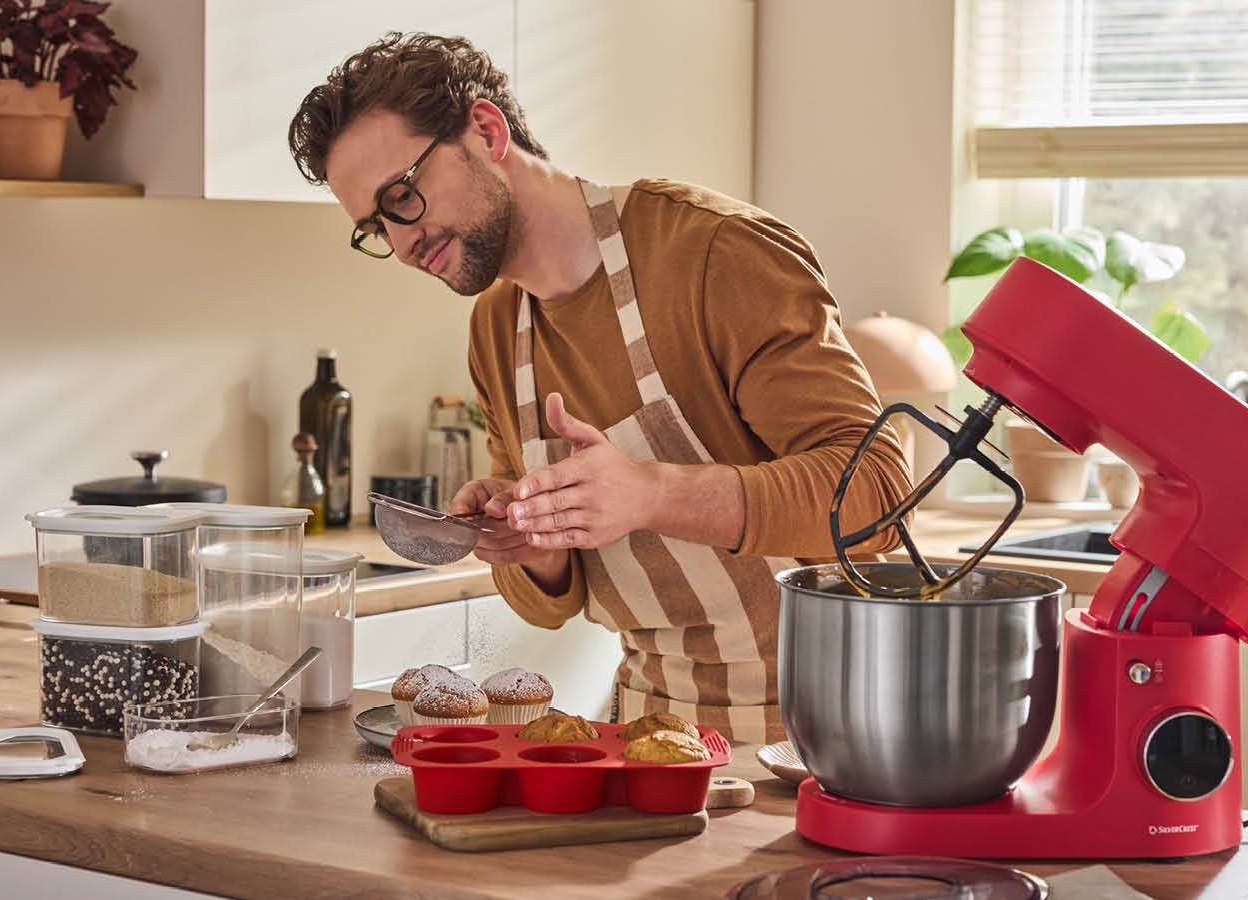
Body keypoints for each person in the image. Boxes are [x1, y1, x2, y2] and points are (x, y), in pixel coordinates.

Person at [287, 32, 909, 742]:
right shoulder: (498, 329)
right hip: (650, 733)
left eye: (402, 197)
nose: (400, 244)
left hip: (829, 732)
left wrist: (651, 493)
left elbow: (880, 496)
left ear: (487, 132)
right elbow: (552, 604)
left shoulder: (714, 255)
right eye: (374, 227)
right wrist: (532, 535)